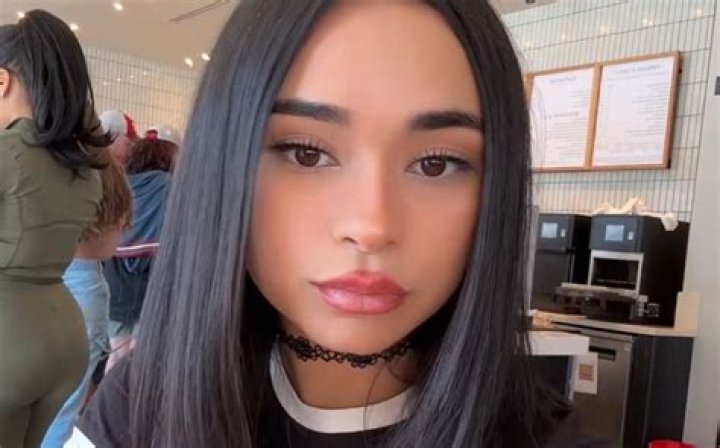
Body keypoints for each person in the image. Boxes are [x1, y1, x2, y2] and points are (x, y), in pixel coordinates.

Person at [77, 2, 612, 447]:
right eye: (306, 153)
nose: (371, 226)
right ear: (224, 162)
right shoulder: (143, 407)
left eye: (436, 164)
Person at [0, 9, 108, 447]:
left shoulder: (7, 152)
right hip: (65, 335)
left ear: (2, 81)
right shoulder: (85, 168)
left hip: (9, 337)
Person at [42, 156, 133, 448]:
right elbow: (66, 404)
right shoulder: (89, 292)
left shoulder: (38, 268)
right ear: (100, 224)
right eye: (123, 224)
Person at [104, 136, 176, 372]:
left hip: (115, 281)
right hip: (152, 282)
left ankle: (108, 394)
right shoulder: (169, 187)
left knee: (116, 355)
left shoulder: (119, 186)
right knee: (141, 357)